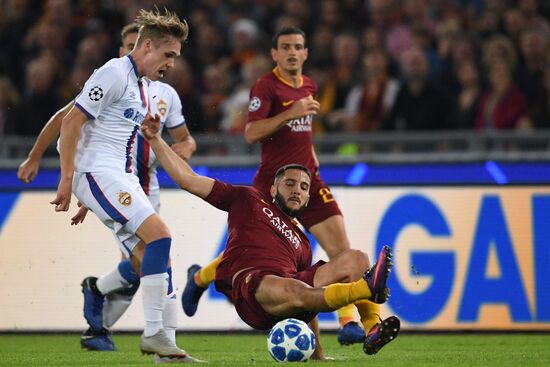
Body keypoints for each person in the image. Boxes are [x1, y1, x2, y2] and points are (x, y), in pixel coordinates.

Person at [140, 113, 400, 358]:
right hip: (253, 289)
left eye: (303, 187)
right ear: (274, 188)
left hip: (288, 288)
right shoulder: (246, 198)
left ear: (309, 197)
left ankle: (372, 327)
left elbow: (306, 309)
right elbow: (187, 179)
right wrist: (155, 139)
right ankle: (366, 289)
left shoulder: (302, 241)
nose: (296, 190)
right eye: (289, 184)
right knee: (296, 288)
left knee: (356, 259)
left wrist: (318, 356)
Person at [181, 26, 375, 346]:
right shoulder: (266, 86)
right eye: (285, 47)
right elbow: (252, 132)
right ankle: (201, 277)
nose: (291, 52)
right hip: (276, 184)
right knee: (259, 255)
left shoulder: (309, 85)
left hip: (310, 181)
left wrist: (312, 160)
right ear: (275, 54)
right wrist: (292, 112)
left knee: (343, 250)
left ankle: (350, 323)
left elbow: (304, 135)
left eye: (298, 46)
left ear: (306, 53)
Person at [18, 22, 197, 355]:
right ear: (145, 46)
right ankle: (155, 333)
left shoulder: (141, 85)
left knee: (154, 258)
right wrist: (68, 178)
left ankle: (161, 348)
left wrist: (149, 129)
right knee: (160, 236)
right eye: (168, 54)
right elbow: (71, 121)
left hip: (117, 177)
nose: (172, 63)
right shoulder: (114, 72)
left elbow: (113, 132)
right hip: (97, 173)